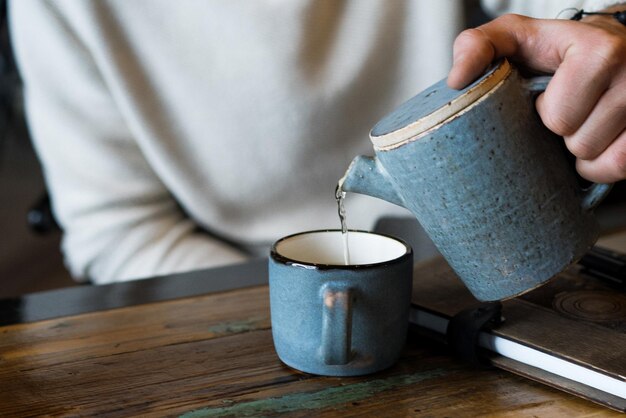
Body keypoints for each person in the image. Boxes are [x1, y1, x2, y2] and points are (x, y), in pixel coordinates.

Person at [9, 1, 626, 284]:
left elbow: (566, 15)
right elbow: (119, 230)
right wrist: (300, 301)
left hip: (547, 263)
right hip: (246, 288)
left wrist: (605, 27)